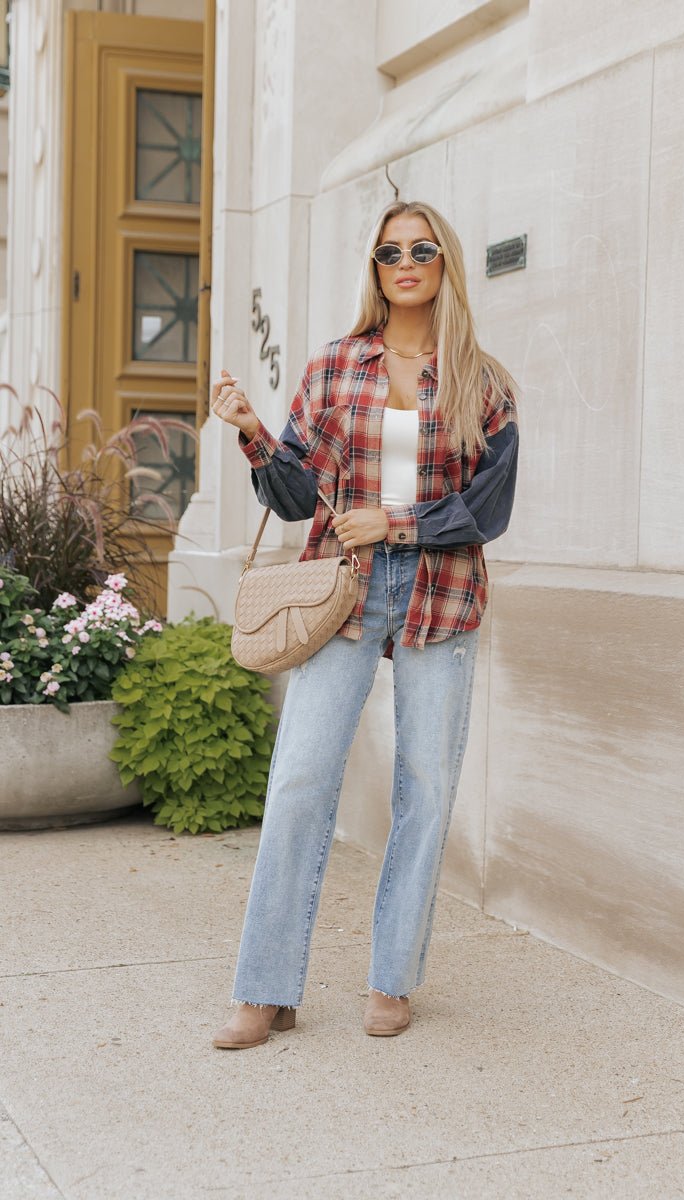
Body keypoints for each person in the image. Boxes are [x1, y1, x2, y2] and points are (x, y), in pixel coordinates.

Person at [211, 199, 518, 1047]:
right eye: (390, 253)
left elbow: (489, 508)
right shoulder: (337, 365)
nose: (405, 262)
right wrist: (252, 435)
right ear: (376, 269)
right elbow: (300, 494)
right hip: (340, 593)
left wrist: (399, 524)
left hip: (440, 593)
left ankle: (393, 977)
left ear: (445, 263)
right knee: (300, 778)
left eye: (421, 249)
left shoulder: (481, 382)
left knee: (425, 786)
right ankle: (266, 987)